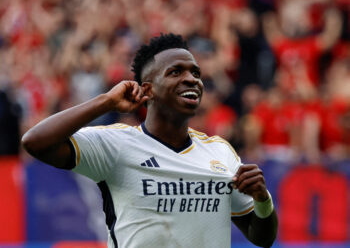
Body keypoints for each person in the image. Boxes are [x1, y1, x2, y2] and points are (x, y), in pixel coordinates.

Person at [22, 33, 278, 248]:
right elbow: (36, 141)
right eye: (176, 72)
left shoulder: (220, 152)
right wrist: (106, 101)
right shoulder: (116, 144)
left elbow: (262, 238)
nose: (191, 79)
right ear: (147, 90)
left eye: (195, 73)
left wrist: (262, 199)